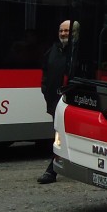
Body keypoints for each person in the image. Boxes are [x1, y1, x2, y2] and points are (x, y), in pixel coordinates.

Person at [37, 19, 73, 184]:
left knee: (61, 137)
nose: (64, 34)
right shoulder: (53, 50)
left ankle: (51, 171)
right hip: (55, 102)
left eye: (67, 31)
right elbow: (46, 73)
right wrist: (46, 93)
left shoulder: (77, 52)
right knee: (60, 136)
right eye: (61, 31)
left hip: (71, 102)